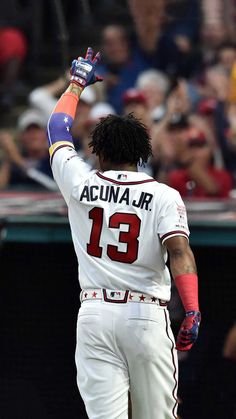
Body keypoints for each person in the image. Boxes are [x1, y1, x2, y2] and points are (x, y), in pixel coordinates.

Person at [47, 47, 201, 419]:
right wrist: (192, 309)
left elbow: (57, 128)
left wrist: (76, 84)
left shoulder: (79, 181)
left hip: (95, 313)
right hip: (145, 315)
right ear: (142, 153)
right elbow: (179, 251)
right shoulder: (163, 194)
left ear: (98, 151)